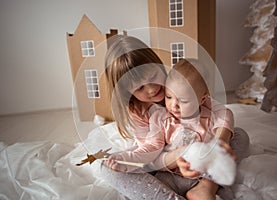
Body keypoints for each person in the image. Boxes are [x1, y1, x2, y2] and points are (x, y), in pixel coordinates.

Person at [145, 58, 248, 200]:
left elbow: (226, 116)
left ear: (202, 99)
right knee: (154, 187)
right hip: (171, 176)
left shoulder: (210, 117)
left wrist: (219, 145)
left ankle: (205, 189)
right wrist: (175, 159)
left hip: (205, 177)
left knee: (240, 136)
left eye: (183, 101)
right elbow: (153, 158)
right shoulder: (160, 119)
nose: (174, 105)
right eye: (169, 97)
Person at [101, 35, 186, 199]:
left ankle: (205, 186)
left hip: (189, 147)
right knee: (106, 167)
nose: (152, 89)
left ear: (158, 65)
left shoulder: (178, 84)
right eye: (140, 88)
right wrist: (172, 158)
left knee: (238, 135)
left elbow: (206, 114)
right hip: (158, 156)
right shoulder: (138, 109)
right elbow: (149, 150)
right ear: (128, 92)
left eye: (153, 77)